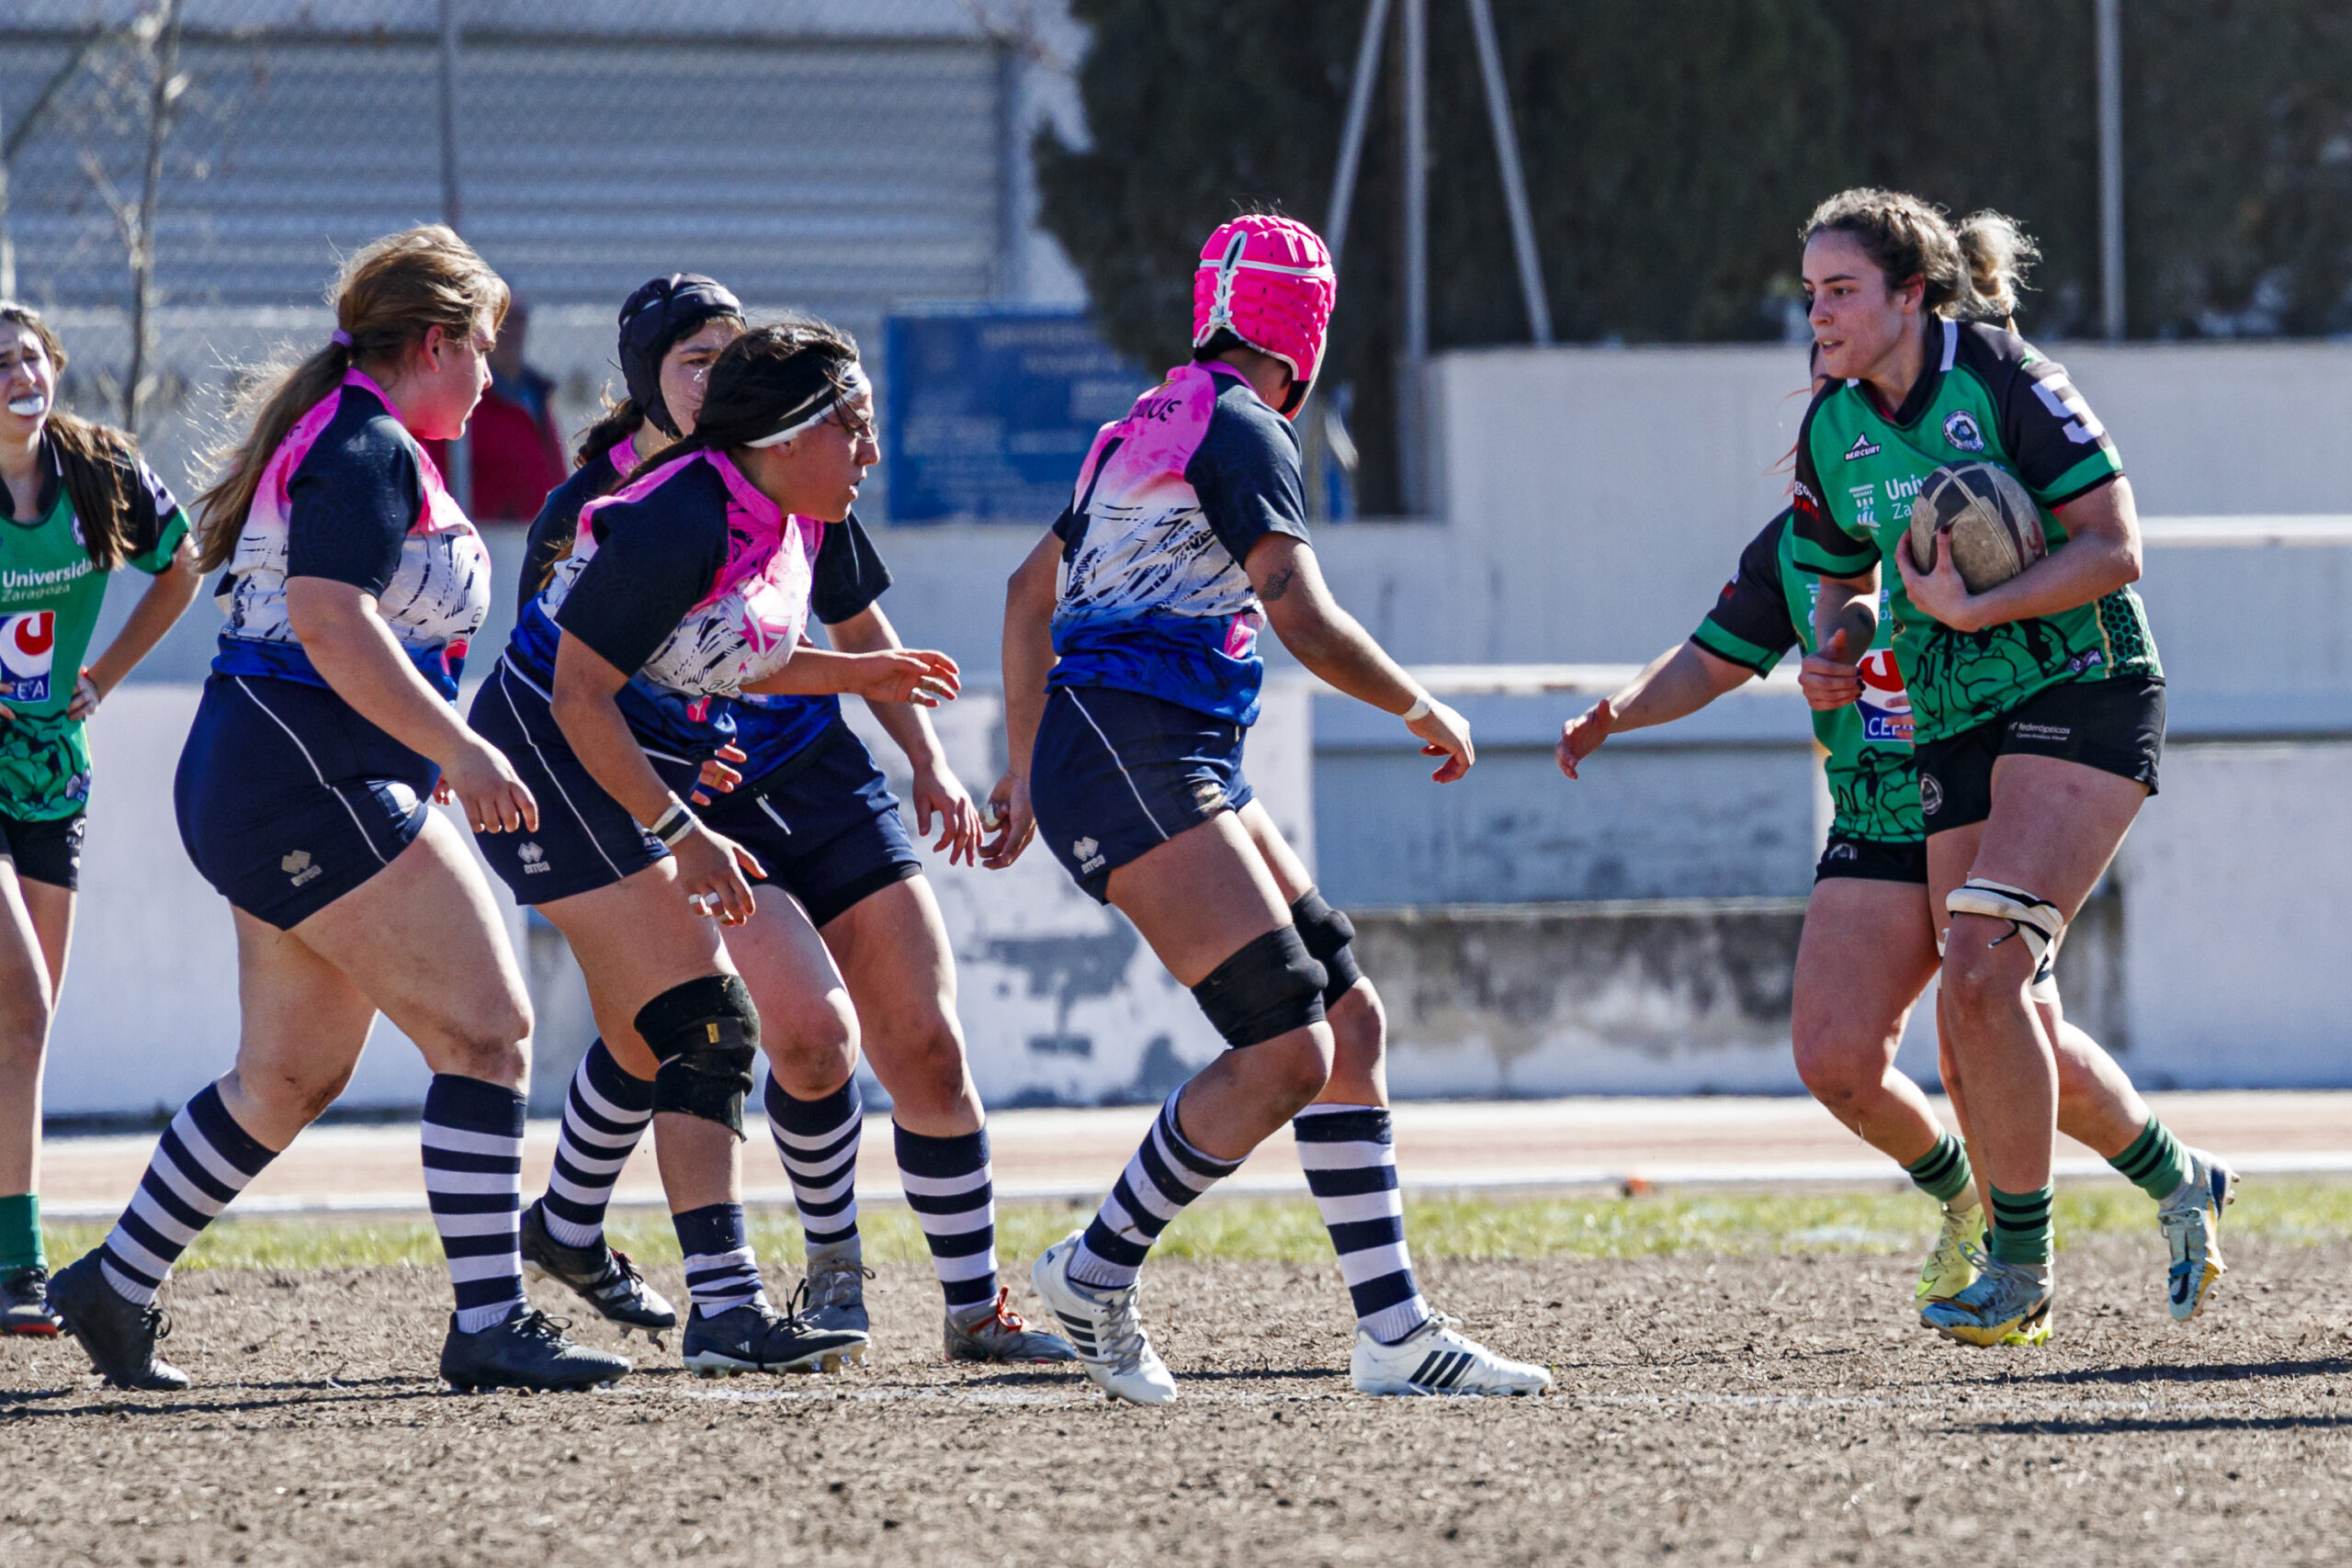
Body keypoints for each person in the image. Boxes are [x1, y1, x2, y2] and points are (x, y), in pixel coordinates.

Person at [47, 227, 628, 1393]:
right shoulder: (363, 441)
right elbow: (329, 618)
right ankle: (488, 1322)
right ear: (435, 342)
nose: (494, 377)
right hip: (303, 773)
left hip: (273, 773)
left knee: (289, 1074)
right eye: (483, 350)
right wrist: (461, 752)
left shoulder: (366, 433)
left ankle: (113, 1282)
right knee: (489, 1029)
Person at [989, 213, 1553, 1404]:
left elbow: (1025, 590)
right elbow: (1298, 610)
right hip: (1134, 742)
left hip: (1146, 743)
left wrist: (1022, 763)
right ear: (1309, 333)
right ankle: (1095, 1268)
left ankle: (1394, 1331)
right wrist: (1420, 704)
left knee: (1350, 1016)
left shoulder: (1143, 421)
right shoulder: (1244, 425)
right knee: (1287, 1040)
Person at [1559, 371, 2228, 1331]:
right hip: (1877, 809)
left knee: (1995, 1036)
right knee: (1834, 1055)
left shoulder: (1968, 501)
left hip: (1984, 789)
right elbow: (1712, 655)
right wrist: (1616, 714)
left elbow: (2072, 565)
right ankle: (1964, 1198)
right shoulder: (1795, 550)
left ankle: (2149, 1193)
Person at [510, 276, 1073, 1365]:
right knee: (802, 1039)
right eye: (693, 360)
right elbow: (565, 683)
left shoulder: (801, 475)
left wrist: (928, 763)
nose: (718, 374)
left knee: (928, 1039)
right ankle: (824, 1277)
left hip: (817, 774)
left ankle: (974, 1309)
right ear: (648, 388)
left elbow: (854, 634)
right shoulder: (621, 507)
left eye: (733, 353)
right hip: (699, 791)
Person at [1786, 188, 2222, 1348]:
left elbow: (2114, 547)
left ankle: (2018, 1271)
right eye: (1810, 291)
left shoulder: (2002, 375)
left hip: (2083, 685)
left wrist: (1977, 606)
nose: (1816, 313)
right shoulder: (1834, 426)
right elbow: (1837, 570)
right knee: (1988, 1014)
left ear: (1908, 294)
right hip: (1949, 713)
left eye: (1840, 291)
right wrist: (1835, 646)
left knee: (1980, 966)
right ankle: (2180, 1177)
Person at [0, 304, 204, 1335]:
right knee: (21, 997)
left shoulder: (101, 470)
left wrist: (104, 677)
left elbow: (183, 564)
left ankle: (9, 1266)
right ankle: (21, 1261)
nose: (16, 375)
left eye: (29, 357)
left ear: (56, 368)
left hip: (51, 775)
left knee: (24, 1027)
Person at [424, 296, 566, 523]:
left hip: (536, 536)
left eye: (518, 320)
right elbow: (436, 472)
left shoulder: (536, 393)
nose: (511, 332)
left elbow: (554, 469)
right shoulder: (465, 398)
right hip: (486, 536)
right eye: (502, 323)